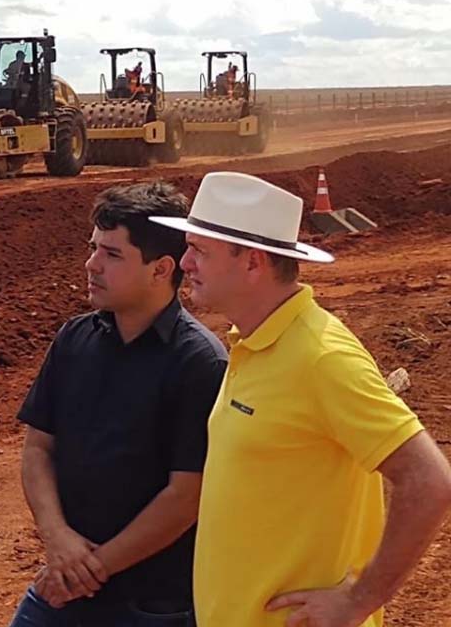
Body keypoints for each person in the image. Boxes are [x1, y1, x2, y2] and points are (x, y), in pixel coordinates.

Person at [150, 171, 451, 627]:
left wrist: (358, 601)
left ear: (252, 263)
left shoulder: (321, 357)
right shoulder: (251, 344)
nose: (184, 262)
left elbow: (429, 480)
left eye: (200, 251)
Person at [9, 182, 228, 626]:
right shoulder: (74, 339)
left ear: (161, 269)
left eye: (111, 254)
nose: (91, 265)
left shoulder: (200, 364)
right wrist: (57, 540)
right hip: (64, 582)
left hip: (149, 605)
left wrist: (92, 568)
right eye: (93, 248)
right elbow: (37, 449)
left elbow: (185, 497)